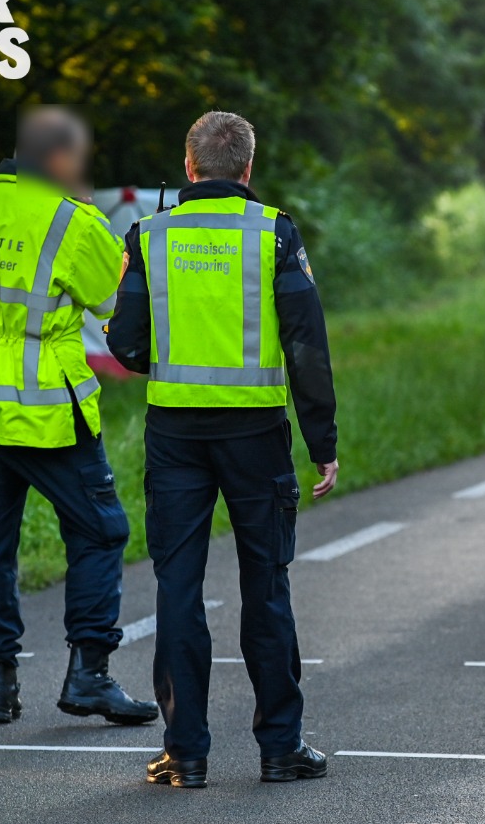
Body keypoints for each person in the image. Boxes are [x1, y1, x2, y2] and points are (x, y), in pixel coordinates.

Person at [0, 107, 158, 727]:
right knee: (101, 531)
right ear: (62, 160)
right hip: (48, 408)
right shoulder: (71, 219)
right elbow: (113, 297)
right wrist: (91, 221)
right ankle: (89, 675)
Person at [106, 110, 338, 788]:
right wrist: (321, 438)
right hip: (257, 433)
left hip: (175, 431)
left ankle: (185, 754)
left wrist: (169, 359)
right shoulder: (274, 232)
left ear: (188, 167)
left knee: (178, 587)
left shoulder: (149, 235)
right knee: (265, 585)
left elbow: (123, 341)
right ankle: (279, 747)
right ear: (246, 170)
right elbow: (306, 343)